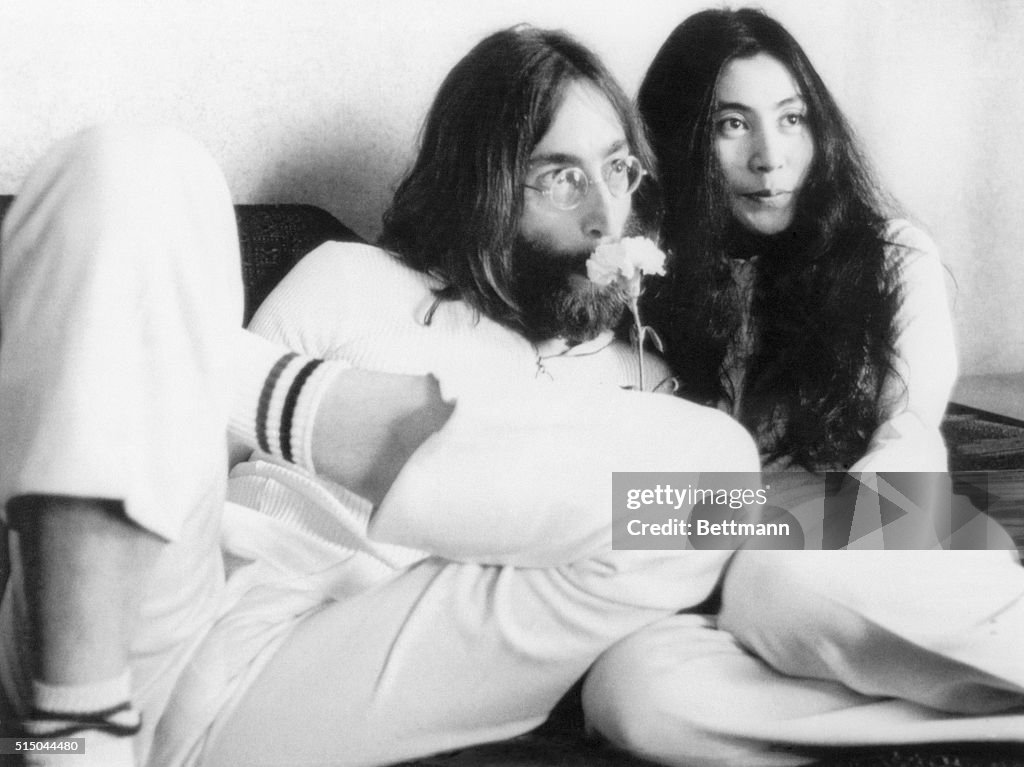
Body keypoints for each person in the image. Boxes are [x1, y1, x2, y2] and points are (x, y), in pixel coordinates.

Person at [0, 25, 759, 767]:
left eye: (618, 167)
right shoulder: (351, 277)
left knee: (721, 475)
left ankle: (229, 377)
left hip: (355, 668)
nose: (604, 214)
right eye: (561, 176)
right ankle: (75, 724)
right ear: (485, 186)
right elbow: (180, 458)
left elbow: (787, 525)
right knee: (130, 166)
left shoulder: (646, 381)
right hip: (148, 612)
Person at [580, 9, 1024, 766]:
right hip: (728, 588)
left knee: (782, 572)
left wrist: (775, 531)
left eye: (792, 119)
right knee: (632, 692)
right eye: (732, 125)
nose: (770, 157)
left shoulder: (891, 256)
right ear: (680, 140)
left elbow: (910, 436)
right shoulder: (636, 284)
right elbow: (620, 502)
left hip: (895, 540)